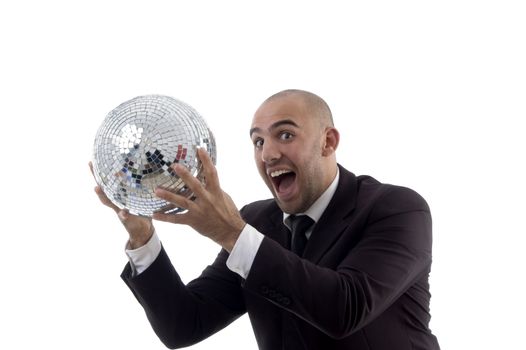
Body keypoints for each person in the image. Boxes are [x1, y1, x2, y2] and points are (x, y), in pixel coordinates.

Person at [92, 89, 440, 349]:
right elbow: (184, 324)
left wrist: (232, 233)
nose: (268, 153)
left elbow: (344, 308)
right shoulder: (257, 221)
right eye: (257, 141)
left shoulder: (397, 208)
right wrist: (142, 236)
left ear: (328, 142)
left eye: (285, 135)